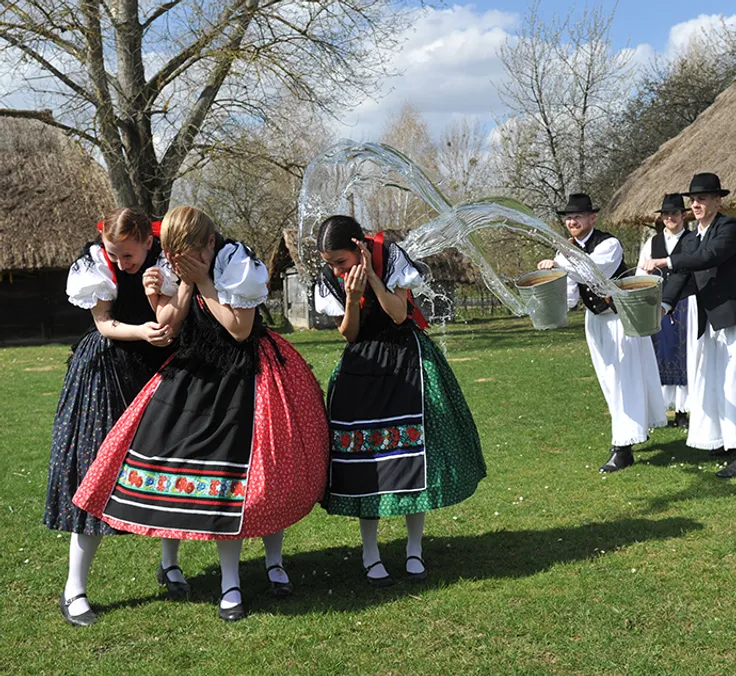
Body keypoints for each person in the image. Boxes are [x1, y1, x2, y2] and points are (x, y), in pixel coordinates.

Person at [74, 206, 329, 621]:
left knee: (258, 474)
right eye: (173, 257)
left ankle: (260, 569)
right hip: (196, 370)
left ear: (209, 243)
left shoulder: (234, 261)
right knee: (206, 475)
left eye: (188, 255)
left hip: (249, 373)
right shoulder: (178, 265)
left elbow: (239, 328)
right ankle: (217, 575)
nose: (179, 263)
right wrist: (168, 293)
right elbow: (168, 324)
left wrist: (204, 280)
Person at [314, 215, 486, 587]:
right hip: (363, 365)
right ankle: (370, 554)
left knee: (416, 453)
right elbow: (349, 333)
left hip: (406, 359)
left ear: (359, 247)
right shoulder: (332, 279)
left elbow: (398, 314)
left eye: (340, 262)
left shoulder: (391, 258)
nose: (335, 269)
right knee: (365, 460)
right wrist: (351, 297)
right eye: (330, 263)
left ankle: (413, 550)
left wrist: (372, 279)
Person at [44, 209, 184, 626]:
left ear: (146, 241)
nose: (122, 262)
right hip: (106, 374)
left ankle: (170, 564)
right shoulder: (97, 266)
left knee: (170, 466)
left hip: (161, 373)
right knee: (94, 473)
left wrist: (166, 315)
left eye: (129, 254)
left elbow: (180, 316)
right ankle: (75, 589)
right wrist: (143, 331)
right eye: (114, 254)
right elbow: (104, 324)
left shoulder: (167, 262)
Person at [641, 173, 736, 478]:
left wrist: (667, 261)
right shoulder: (692, 237)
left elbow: (710, 257)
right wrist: (665, 305)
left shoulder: (730, 227)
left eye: (703, 199)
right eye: (693, 200)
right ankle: (727, 440)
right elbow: (682, 277)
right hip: (711, 321)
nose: (696, 204)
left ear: (719, 200)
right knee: (716, 383)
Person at [538, 193, 666, 473]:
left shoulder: (609, 244)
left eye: (578, 216)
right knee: (609, 380)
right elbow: (571, 296)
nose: (572, 221)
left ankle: (622, 446)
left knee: (624, 378)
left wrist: (559, 266)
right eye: (569, 217)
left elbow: (592, 272)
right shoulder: (565, 252)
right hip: (595, 319)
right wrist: (548, 291)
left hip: (621, 318)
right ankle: (629, 435)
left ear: (592, 218)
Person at [637, 193, 698, 428]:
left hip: (688, 303)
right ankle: (663, 409)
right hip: (658, 305)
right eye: (666, 214)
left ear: (683, 215)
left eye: (674, 213)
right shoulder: (652, 243)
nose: (670, 218)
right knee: (661, 353)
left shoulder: (693, 240)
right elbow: (641, 275)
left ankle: (685, 410)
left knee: (687, 354)